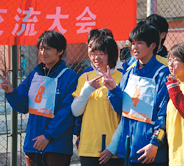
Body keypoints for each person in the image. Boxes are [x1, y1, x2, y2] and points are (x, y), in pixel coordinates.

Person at [0, 30, 78, 166]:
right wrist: (11, 91)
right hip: (33, 144)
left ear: (60, 51)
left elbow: (67, 113)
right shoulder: (34, 75)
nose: (43, 53)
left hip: (57, 147)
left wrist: (48, 136)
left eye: (48, 48)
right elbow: (23, 106)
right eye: (41, 48)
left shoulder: (70, 77)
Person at [100, 21, 170, 165]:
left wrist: (155, 143)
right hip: (128, 150)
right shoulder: (129, 73)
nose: (134, 47)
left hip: (151, 153)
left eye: (140, 43)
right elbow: (123, 110)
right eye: (133, 43)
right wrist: (113, 89)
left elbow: (164, 115)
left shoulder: (163, 74)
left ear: (153, 45)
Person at [71, 35, 123, 166]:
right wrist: (87, 90)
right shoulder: (85, 77)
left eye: (101, 53)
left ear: (111, 54)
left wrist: (113, 147)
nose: (96, 58)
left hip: (112, 150)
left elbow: (127, 116)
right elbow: (76, 111)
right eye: (94, 54)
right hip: (88, 148)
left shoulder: (122, 77)